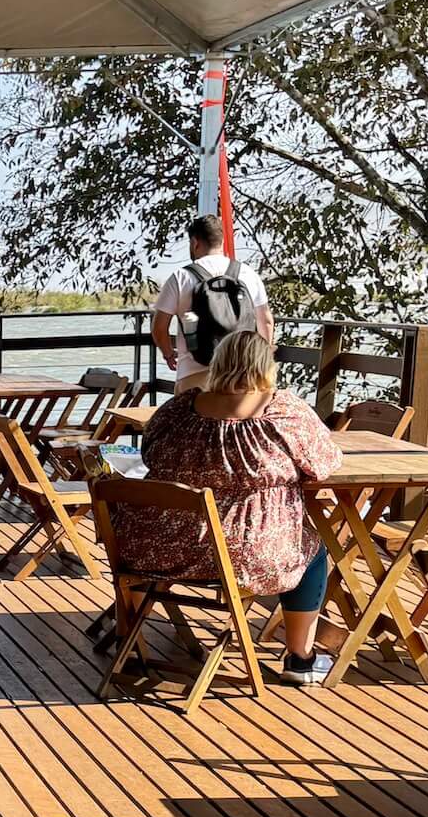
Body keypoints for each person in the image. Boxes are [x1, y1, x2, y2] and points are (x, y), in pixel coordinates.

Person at [111, 328, 341, 685]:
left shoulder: (178, 409)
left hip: (157, 547)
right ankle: (300, 660)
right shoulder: (283, 412)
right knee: (309, 551)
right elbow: (324, 463)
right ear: (266, 365)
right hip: (245, 552)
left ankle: (129, 643)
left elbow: (148, 452)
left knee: (298, 547)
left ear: (218, 363)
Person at [151, 214, 268, 395]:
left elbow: (159, 327)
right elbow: (265, 322)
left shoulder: (180, 277)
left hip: (194, 374)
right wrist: (262, 361)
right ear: (222, 241)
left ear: (195, 242)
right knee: (237, 422)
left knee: (189, 422)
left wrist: (168, 354)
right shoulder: (248, 274)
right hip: (242, 374)